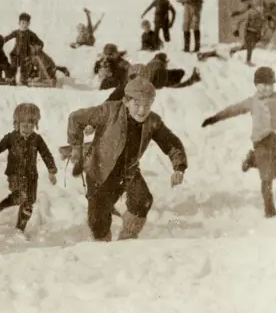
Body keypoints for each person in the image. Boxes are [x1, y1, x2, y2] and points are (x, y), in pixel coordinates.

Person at [67, 77, 187, 241]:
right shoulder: (109, 111)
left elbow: (171, 143)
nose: (142, 110)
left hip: (127, 172)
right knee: (98, 222)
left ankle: (127, 240)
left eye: (147, 105)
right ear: (126, 101)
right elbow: (76, 118)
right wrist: (76, 147)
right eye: (137, 104)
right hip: (99, 171)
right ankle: (102, 247)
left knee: (142, 200)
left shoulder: (152, 121)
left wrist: (179, 167)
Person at [201, 66, 276, 218]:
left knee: (275, 171)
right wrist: (214, 118)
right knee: (267, 176)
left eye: (270, 84)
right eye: (262, 84)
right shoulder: (251, 102)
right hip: (261, 141)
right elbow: (233, 110)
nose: (266, 88)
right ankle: (269, 208)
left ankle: (252, 160)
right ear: (256, 85)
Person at [0, 103, 58, 233]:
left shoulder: (37, 139)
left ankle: (17, 227)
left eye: (31, 125)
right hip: (15, 174)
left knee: (29, 202)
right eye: (24, 125)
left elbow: (46, 154)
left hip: (31, 176)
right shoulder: (10, 138)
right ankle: (0, 210)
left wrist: (51, 171)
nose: (28, 129)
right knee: (21, 196)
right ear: (17, 123)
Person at [4, 13, 44, 84]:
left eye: (27, 23)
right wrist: (0, 42)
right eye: (23, 23)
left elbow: (40, 43)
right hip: (16, 53)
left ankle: (24, 79)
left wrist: (37, 48)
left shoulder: (31, 34)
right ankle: (12, 79)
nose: (24, 25)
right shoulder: (16, 32)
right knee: (13, 66)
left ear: (29, 24)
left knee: (24, 68)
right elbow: (7, 38)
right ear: (19, 23)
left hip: (26, 54)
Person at [228, 0, 265, 66]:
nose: (246, 3)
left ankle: (233, 50)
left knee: (248, 46)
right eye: (245, 2)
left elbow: (243, 11)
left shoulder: (255, 9)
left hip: (255, 31)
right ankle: (248, 61)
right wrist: (236, 29)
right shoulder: (250, 11)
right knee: (249, 47)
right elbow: (241, 17)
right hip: (250, 31)